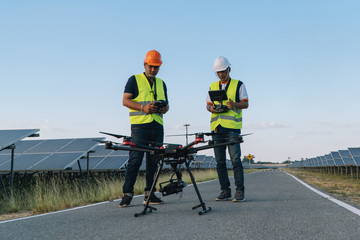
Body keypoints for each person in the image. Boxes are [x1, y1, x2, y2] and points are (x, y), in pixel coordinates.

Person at [120, 50, 169, 207]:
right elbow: (125, 101)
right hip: (140, 126)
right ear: (145, 64)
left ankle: (150, 193)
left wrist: (164, 109)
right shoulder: (134, 80)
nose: (153, 70)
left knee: (153, 161)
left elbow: (167, 105)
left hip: (157, 126)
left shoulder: (162, 83)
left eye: (156, 67)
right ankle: (127, 194)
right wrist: (143, 108)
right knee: (135, 160)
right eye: (151, 66)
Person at [206, 56, 249, 202]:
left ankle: (239, 191)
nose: (220, 74)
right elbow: (207, 105)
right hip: (217, 128)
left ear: (229, 69)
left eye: (223, 71)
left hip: (232, 129)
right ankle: (225, 191)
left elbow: (246, 104)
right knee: (220, 162)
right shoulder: (212, 86)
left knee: (236, 160)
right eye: (218, 72)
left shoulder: (238, 85)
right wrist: (211, 108)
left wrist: (234, 105)